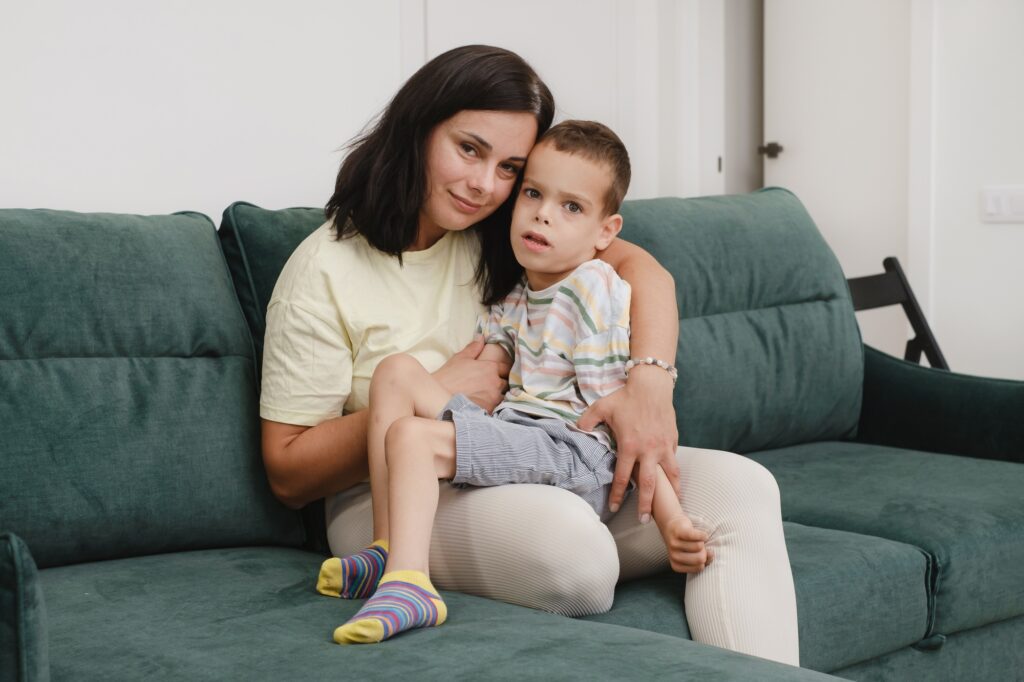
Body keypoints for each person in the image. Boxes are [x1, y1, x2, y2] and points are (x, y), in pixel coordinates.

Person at [260, 45, 799, 664]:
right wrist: (442, 388)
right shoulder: (324, 269)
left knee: (741, 488)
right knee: (575, 552)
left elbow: (645, 274)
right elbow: (286, 472)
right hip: (385, 499)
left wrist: (649, 389)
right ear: (417, 128)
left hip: (527, 450)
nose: (484, 184)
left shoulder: (510, 228)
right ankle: (396, 569)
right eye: (468, 149)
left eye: (510, 167)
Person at [320, 120, 711, 645]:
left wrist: (670, 519)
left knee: (413, 437)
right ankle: (387, 548)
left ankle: (411, 585)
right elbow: (491, 369)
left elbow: (619, 417)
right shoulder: (520, 293)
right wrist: (456, 384)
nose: (543, 213)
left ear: (605, 232)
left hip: (572, 449)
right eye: (532, 193)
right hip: (519, 429)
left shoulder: (590, 287)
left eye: (571, 207)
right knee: (396, 373)